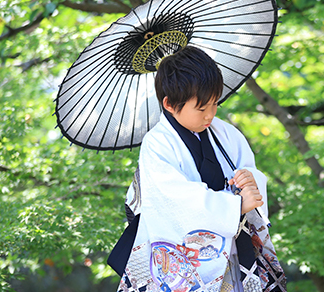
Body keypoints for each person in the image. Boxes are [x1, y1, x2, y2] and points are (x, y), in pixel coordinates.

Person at [114, 46, 286, 292]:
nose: (210, 115)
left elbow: (249, 172)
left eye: (215, 104)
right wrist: (235, 206)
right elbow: (176, 200)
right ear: (170, 104)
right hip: (186, 262)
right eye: (202, 108)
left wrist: (251, 180)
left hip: (235, 249)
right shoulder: (157, 143)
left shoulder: (226, 133)